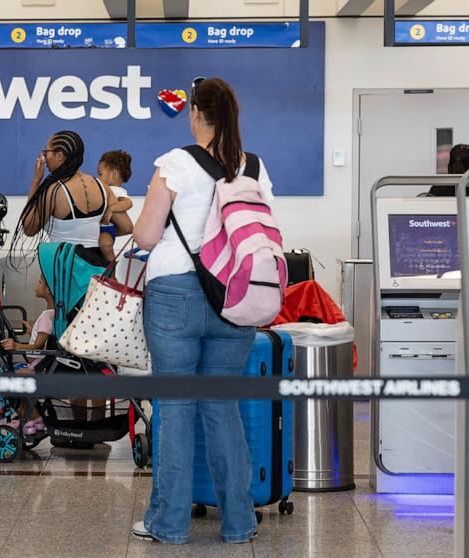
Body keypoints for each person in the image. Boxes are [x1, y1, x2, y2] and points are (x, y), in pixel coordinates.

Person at [131, 77, 275, 545]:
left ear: (195, 112)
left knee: (174, 407)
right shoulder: (254, 167)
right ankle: (239, 523)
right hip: (234, 298)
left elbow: (147, 237)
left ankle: (168, 525)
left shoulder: (176, 163)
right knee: (222, 407)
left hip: (175, 292)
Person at [12, 130, 115, 263]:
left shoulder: (53, 190)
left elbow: (29, 228)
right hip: (94, 269)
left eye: (45, 152)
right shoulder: (101, 186)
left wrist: (36, 181)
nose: (43, 157)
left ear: (59, 155)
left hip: (64, 269)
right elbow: (127, 227)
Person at [0, 276, 53, 436]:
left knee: (7, 379)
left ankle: (32, 417)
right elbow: (45, 338)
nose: (36, 285)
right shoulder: (51, 314)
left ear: (49, 290)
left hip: (38, 368)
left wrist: (17, 346)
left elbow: (38, 346)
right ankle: (28, 415)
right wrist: (32, 332)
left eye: (39, 283)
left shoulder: (47, 316)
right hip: (39, 366)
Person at [97, 150, 135, 262]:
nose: (98, 178)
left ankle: (111, 270)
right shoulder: (104, 189)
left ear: (114, 174)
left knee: (105, 244)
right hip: (98, 228)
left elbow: (128, 203)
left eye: (100, 174)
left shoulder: (116, 191)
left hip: (106, 229)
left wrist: (111, 209)